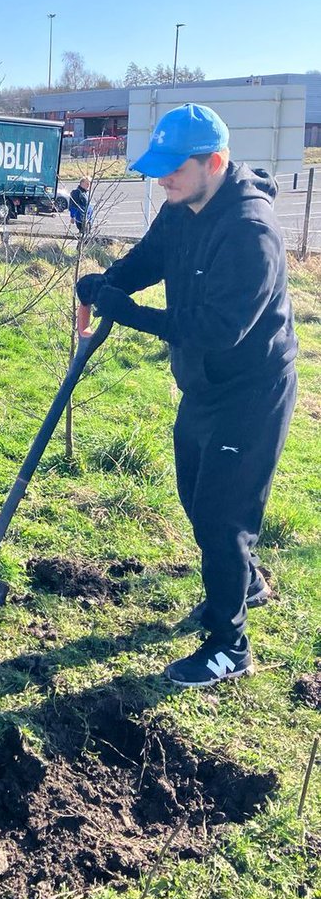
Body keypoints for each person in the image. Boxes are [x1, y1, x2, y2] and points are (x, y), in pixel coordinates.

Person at [75, 104, 297, 688]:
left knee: (223, 518)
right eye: (160, 168)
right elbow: (153, 258)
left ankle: (230, 646)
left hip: (251, 390)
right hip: (203, 384)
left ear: (214, 162)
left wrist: (134, 316)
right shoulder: (180, 208)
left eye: (175, 168)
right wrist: (111, 281)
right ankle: (245, 582)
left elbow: (219, 328)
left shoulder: (251, 233)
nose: (163, 179)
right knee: (196, 498)